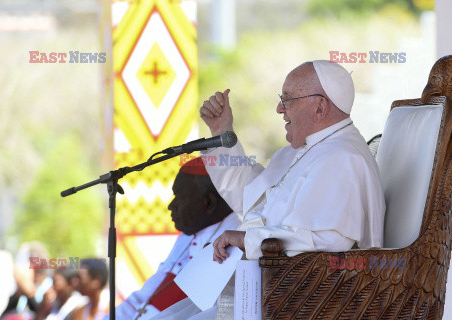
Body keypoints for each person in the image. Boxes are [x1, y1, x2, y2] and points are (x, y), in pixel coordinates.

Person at [153, 60, 386, 319]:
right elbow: (249, 199)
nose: (279, 109)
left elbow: (328, 242)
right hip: (265, 289)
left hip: (302, 301)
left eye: (287, 100)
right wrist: (221, 131)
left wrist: (247, 240)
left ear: (320, 107)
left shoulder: (343, 157)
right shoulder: (297, 152)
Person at [101, 157, 241, 320]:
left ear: (208, 202)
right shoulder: (188, 236)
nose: (171, 206)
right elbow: (148, 292)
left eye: (179, 197)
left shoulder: (233, 243)